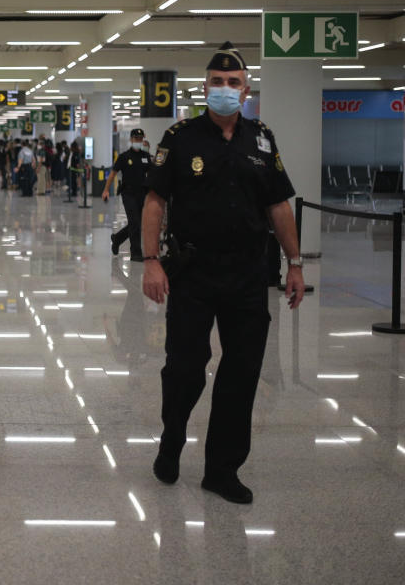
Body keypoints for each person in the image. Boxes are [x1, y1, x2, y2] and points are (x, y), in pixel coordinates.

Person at [141, 42, 305, 505]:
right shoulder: (180, 137)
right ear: (205, 86)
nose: (225, 89)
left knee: (242, 372)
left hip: (250, 275)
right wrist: (151, 260)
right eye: (217, 81)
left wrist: (295, 264)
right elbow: (155, 202)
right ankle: (172, 439)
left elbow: (278, 205)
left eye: (234, 83)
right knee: (186, 370)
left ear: (246, 89)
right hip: (193, 274)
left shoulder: (262, 138)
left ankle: (221, 469)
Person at [103, 129, 152, 261]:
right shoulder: (124, 157)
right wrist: (106, 190)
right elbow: (113, 174)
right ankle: (136, 253)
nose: (138, 141)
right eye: (136, 138)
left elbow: (153, 174)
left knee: (136, 223)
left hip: (142, 193)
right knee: (135, 221)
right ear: (131, 140)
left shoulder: (146, 157)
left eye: (141, 139)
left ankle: (117, 238)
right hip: (128, 193)